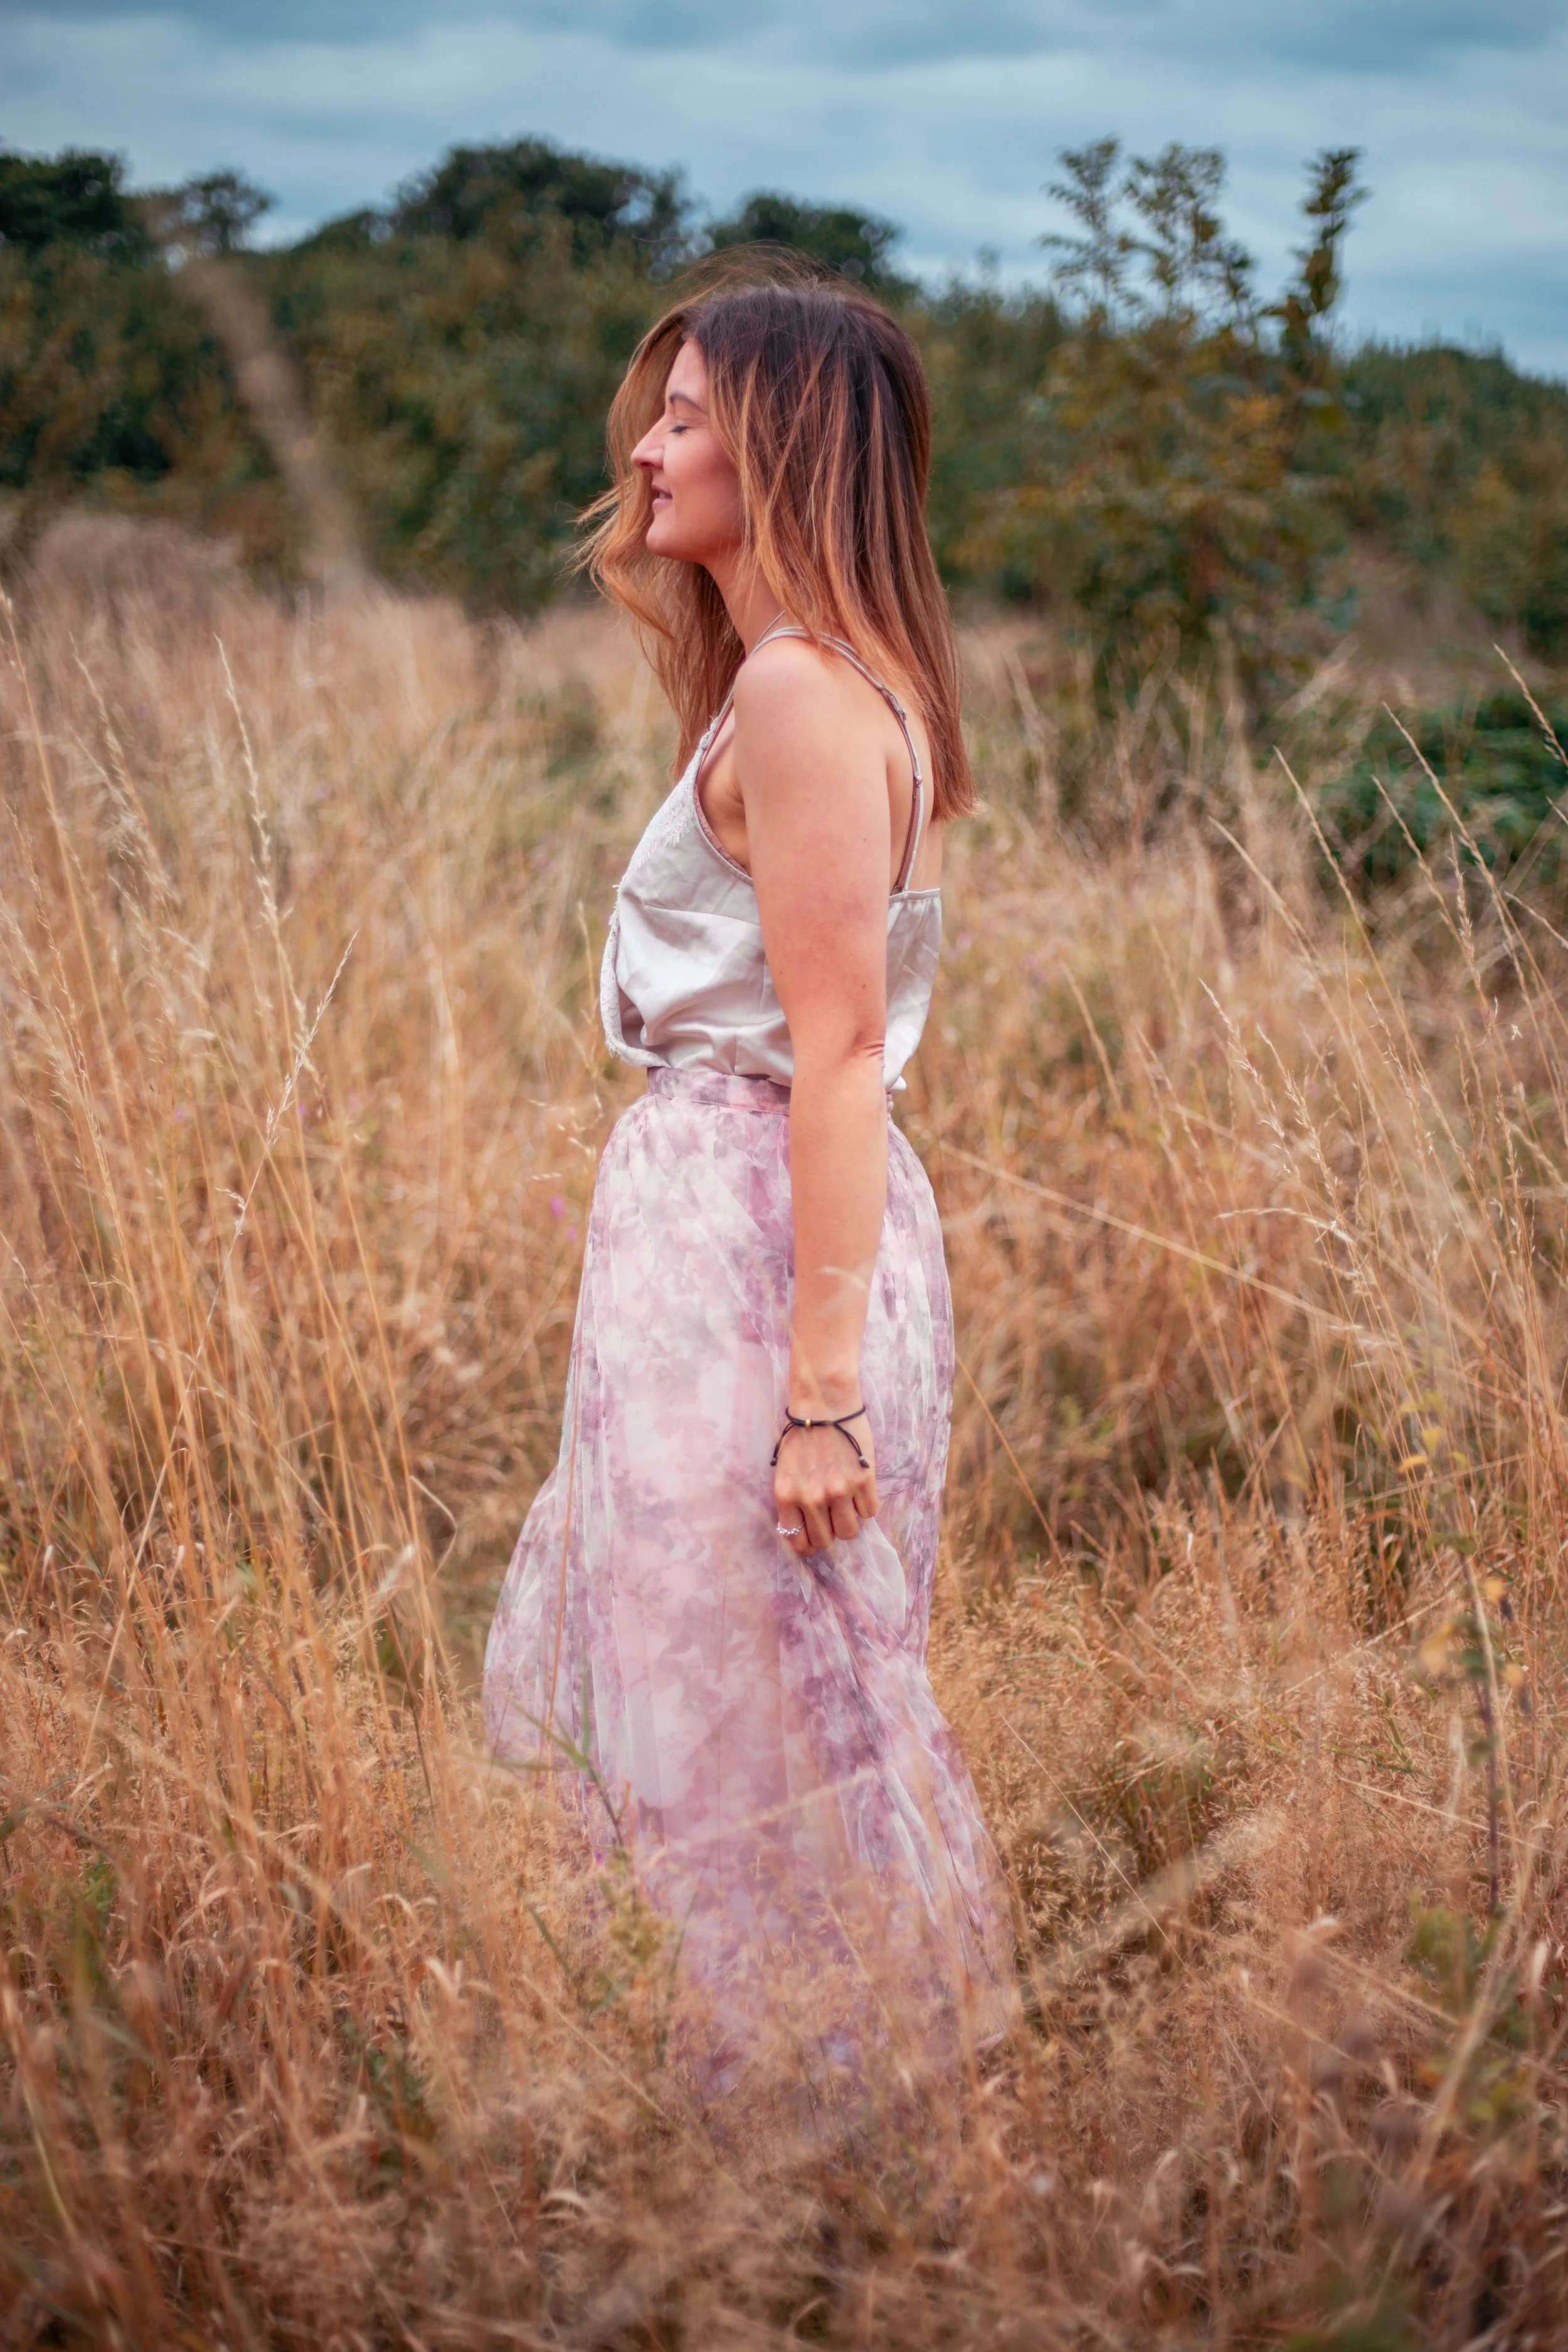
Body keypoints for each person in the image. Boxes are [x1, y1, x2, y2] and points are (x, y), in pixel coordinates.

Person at [484, 270, 1012, 2102]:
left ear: (782, 446)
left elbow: (840, 1050)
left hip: (756, 1234)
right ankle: (742, 2102)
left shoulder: (801, 694)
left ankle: (809, 2125)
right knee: (735, 1675)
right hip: (722, 1218)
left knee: (762, 1687)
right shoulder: (804, 680)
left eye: (690, 413)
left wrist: (817, 1395)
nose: (646, 442)